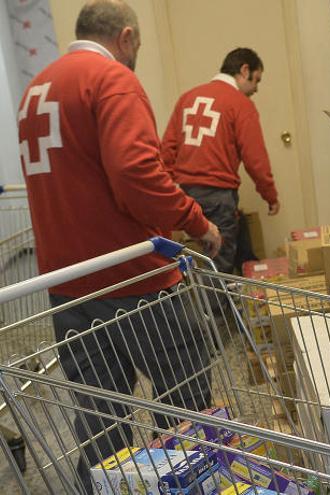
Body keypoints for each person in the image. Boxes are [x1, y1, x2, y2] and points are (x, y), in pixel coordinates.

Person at [16, 1, 221, 492]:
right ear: (126, 38)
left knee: (101, 420)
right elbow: (136, 174)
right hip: (135, 278)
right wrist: (196, 222)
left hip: (67, 286)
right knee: (186, 400)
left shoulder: (36, 89)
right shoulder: (111, 80)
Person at [161, 47, 280, 274]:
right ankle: (214, 311)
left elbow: (167, 150)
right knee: (218, 263)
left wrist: (164, 191)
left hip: (185, 196)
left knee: (197, 261)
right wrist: (270, 195)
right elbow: (255, 160)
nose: (256, 88)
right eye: (256, 80)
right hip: (218, 197)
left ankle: (203, 308)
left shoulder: (187, 98)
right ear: (244, 70)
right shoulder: (240, 104)